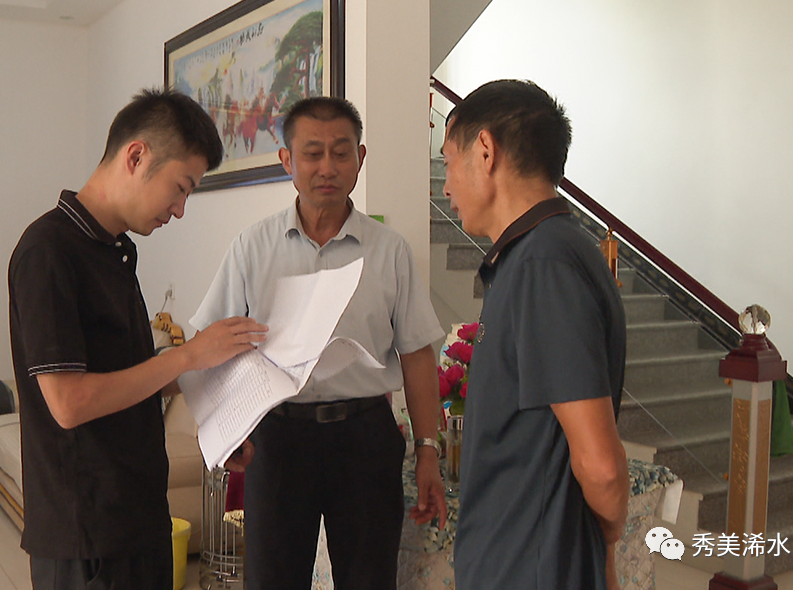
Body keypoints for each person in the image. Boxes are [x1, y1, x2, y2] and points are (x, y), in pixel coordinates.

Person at [8, 88, 267, 590]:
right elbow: (69, 402)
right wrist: (187, 355)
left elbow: (132, 379)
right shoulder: (49, 251)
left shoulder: (116, 251)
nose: (180, 209)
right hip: (86, 534)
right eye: (181, 188)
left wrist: (217, 421)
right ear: (136, 156)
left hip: (140, 517)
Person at [191, 96, 448, 590]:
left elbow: (417, 354)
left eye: (341, 152)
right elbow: (210, 346)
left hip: (365, 436)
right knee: (272, 580)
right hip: (278, 439)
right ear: (287, 160)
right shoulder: (252, 248)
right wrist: (227, 431)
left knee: (370, 579)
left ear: (360, 158)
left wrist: (428, 450)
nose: (327, 167)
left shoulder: (389, 252)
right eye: (312, 153)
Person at [441, 80, 629, 590]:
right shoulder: (533, 255)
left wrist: (606, 543)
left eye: (448, 162)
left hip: (533, 568)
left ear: (485, 151)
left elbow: (602, 467)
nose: (446, 187)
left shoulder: (545, 265)